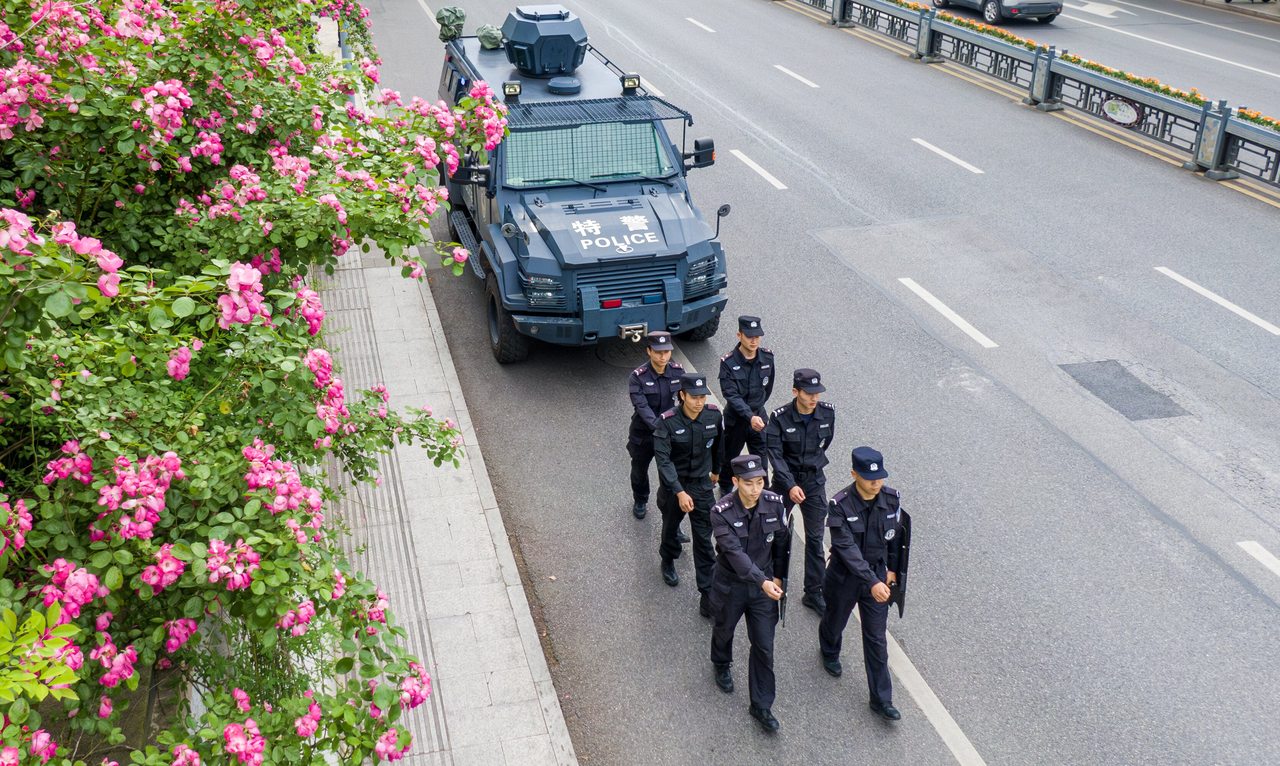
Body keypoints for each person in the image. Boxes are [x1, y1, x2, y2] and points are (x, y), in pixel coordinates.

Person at [818, 446, 906, 721]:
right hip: (846, 577)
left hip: (878, 577)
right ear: (854, 474)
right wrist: (872, 582)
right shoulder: (840, 505)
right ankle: (829, 650)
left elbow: (895, 538)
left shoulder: (891, 500)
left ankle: (881, 699)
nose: (876, 483)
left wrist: (892, 570)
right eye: (870, 479)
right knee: (835, 621)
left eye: (880, 477)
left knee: (877, 639)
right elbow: (846, 549)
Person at [709, 455, 791, 733]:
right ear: (735, 482)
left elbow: (781, 542)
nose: (756, 489)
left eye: (760, 482)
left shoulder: (774, 503)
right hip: (732, 584)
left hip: (763, 587)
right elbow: (735, 554)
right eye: (748, 483)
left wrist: (778, 576)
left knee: (765, 646)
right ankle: (721, 662)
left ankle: (762, 705)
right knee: (723, 629)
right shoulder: (721, 511)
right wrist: (763, 581)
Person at [764, 369, 835, 615]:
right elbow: (775, 456)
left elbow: (825, 444)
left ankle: (813, 592)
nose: (814, 398)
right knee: (774, 533)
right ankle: (769, 582)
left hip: (814, 482)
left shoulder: (828, 413)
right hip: (786, 484)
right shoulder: (779, 418)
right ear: (795, 392)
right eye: (808, 393)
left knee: (815, 539)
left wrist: (806, 478)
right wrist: (790, 484)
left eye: (817, 393)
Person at [653, 373, 722, 612]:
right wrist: (679, 492)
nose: (699, 402)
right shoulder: (667, 421)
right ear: (682, 396)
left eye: (702, 396)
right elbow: (663, 461)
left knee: (704, 539)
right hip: (675, 486)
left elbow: (718, 445)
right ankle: (668, 560)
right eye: (694, 397)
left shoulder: (713, 415)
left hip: (702, 485)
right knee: (671, 528)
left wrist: (716, 470)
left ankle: (707, 594)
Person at [626, 331, 684, 520]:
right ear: (649, 351)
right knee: (639, 470)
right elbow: (642, 408)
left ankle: (669, 517)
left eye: (667, 352)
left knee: (669, 475)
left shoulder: (678, 372)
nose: (663, 356)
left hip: (668, 435)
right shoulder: (637, 377)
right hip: (643, 434)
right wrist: (661, 427)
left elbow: (684, 402)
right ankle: (641, 499)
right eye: (658, 352)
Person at [717, 316, 775, 495]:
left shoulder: (767, 358)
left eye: (757, 336)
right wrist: (749, 416)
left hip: (759, 417)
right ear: (739, 335)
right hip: (737, 420)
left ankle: (763, 492)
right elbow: (731, 395)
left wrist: (757, 412)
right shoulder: (728, 363)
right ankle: (725, 485)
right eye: (749, 336)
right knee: (730, 456)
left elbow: (768, 387)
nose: (754, 340)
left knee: (761, 457)